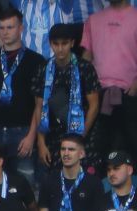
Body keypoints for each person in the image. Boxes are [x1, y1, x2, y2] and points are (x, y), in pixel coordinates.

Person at [81, 0, 137, 182]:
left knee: (136, 145)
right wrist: (88, 87)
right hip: (99, 94)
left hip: (129, 93)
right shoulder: (93, 20)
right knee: (99, 147)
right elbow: (86, 57)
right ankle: (99, 194)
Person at [0, 8, 44, 182]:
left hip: (23, 132)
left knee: (25, 184)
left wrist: (31, 136)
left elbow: (40, 105)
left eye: (10, 27)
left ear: (21, 28)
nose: (5, 32)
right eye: (2, 28)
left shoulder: (36, 61)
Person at [33, 24, 101, 172]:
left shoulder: (85, 68)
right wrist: (41, 142)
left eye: (64, 43)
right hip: (53, 137)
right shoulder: (43, 69)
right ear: (50, 44)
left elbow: (94, 105)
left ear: (72, 43)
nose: (60, 48)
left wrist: (80, 136)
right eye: (56, 44)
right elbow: (39, 106)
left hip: (84, 136)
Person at [37, 133, 104, 211]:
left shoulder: (94, 183)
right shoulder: (49, 181)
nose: (66, 153)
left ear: (81, 154)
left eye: (71, 149)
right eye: (63, 149)